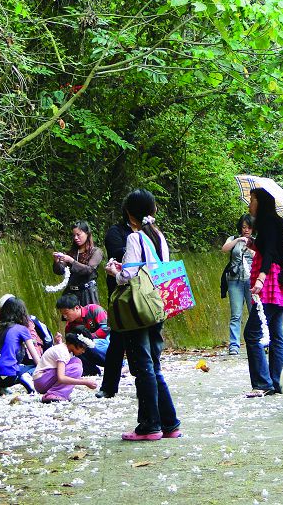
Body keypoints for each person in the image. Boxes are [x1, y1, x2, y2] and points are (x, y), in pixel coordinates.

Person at [105, 188, 181, 441]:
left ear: (129, 213)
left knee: (143, 367)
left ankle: (150, 426)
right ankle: (170, 423)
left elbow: (128, 276)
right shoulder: (159, 236)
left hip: (137, 309)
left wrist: (113, 272)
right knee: (154, 365)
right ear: (153, 210)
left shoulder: (135, 238)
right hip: (157, 305)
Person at [242, 187, 283, 398]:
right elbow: (271, 247)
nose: (250, 204)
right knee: (276, 333)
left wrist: (261, 278)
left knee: (252, 333)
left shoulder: (269, 222)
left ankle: (262, 383)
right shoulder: (274, 222)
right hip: (277, 279)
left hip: (269, 280)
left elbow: (270, 251)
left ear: (261, 202)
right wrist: (254, 244)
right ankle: (279, 382)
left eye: (252, 200)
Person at [98, 206, 133, 398]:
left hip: (143, 293)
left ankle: (147, 384)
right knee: (117, 340)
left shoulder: (150, 232)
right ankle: (109, 387)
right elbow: (116, 252)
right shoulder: (116, 231)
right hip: (120, 294)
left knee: (146, 342)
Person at [0, 296, 40, 394]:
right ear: (22, 313)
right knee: (33, 366)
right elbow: (36, 359)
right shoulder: (22, 329)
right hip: (9, 377)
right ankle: (25, 376)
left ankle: (1, 387)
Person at [221, 214, 255, 356]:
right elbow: (224, 249)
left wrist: (250, 249)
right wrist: (238, 240)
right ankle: (234, 345)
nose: (246, 230)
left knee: (255, 313)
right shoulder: (234, 238)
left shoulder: (256, 241)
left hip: (252, 281)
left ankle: (257, 342)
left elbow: (261, 257)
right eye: (243, 227)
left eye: (249, 227)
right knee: (236, 314)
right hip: (235, 280)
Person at [34, 328, 98, 402]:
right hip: (42, 381)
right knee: (76, 368)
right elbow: (61, 377)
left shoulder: (64, 349)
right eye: (82, 348)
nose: (83, 351)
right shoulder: (62, 351)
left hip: (43, 379)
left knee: (76, 361)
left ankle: (59, 392)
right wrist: (85, 382)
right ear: (74, 344)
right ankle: (54, 394)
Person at [55, 294, 110, 376]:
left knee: (88, 343)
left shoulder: (94, 309)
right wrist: (59, 343)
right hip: (90, 350)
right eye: (62, 314)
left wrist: (87, 338)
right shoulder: (69, 327)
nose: (65, 316)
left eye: (66, 313)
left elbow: (106, 328)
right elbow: (70, 347)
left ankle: (118, 363)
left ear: (77, 308)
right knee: (77, 348)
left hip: (106, 343)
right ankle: (91, 371)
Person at [53, 220, 104, 307]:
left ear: (87, 234)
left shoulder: (96, 252)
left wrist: (71, 261)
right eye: (74, 235)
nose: (76, 238)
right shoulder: (72, 252)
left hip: (88, 293)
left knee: (89, 319)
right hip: (71, 293)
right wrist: (57, 262)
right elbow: (60, 271)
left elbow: (89, 270)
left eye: (78, 234)